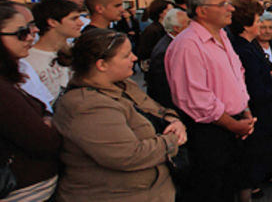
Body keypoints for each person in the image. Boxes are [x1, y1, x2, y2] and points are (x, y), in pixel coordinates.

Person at [53, 29, 186, 201]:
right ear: (102, 65)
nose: (134, 58)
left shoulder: (123, 85)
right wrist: (173, 140)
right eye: (126, 56)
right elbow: (127, 156)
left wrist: (173, 120)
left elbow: (157, 110)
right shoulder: (87, 106)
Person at [165, 0, 255, 202]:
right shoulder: (188, 45)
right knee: (209, 189)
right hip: (209, 131)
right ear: (202, 11)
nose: (231, 8)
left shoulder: (222, 36)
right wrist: (232, 124)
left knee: (228, 186)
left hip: (231, 125)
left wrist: (245, 111)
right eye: (223, 4)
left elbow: (237, 75)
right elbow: (196, 98)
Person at [0, 4, 61, 201]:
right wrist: (49, 125)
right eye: (22, 33)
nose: (31, 36)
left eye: (30, 30)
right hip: (22, 189)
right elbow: (45, 140)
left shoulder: (5, 79)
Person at [229, 0, 272, 201]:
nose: (263, 27)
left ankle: (262, 174)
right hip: (257, 111)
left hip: (266, 107)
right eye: (258, 22)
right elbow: (255, 89)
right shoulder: (243, 49)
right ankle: (252, 183)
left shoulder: (249, 46)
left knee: (265, 147)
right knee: (254, 151)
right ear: (247, 25)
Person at [24, 0, 81, 100]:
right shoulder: (28, 59)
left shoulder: (78, 50)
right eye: (74, 19)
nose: (80, 23)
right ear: (52, 22)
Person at [146, 8, 189, 109]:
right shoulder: (165, 50)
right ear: (176, 28)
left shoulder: (174, 43)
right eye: (188, 23)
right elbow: (163, 88)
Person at [135, 0, 174, 71]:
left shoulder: (166, 28)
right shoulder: (152, 30)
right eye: (169, 11)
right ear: (161, 13)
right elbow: (144, 52)